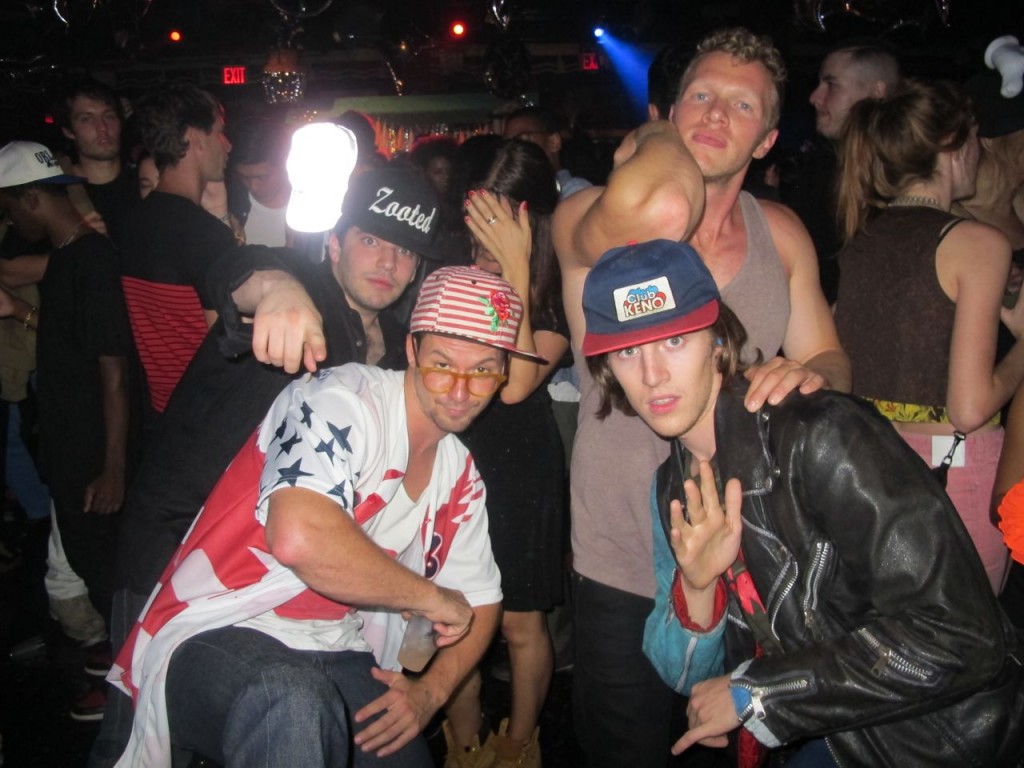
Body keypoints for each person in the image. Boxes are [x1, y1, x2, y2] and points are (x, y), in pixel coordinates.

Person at [580, 237, 1023, 767]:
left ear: (717, 341)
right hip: (818, 732)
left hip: (928, 739)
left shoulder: (820, 436)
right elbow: (687, 678)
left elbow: (963, 637)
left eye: (674, 340)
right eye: (628, 352)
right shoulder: (673, 488)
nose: (652, 376)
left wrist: (759, 694)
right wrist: (698, 587)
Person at [552, 27, 850, 766]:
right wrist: (656, 140)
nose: (716, 115)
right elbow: (657, 211)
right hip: (621, 555)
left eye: (742, 106)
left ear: (768, 140)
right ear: (666, 111)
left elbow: (832, 358)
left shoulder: (780, 234)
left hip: (747, 559)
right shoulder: (590, 218)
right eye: (701, 97)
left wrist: (807, 377)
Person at [109, 265, 539, 766]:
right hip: (221, 628)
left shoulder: (459, 473)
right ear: (411, 350)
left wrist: (430, 693)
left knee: (404, 756)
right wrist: (430, 596)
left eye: (483, 370)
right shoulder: (342, 399)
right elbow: (298, 537)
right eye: (442, 363)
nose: (461, 391)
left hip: (337, 646)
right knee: (292, 703)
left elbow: (481, 601)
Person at [90, 165, 442, 767]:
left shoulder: (395, 348)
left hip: (281, 585)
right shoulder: (300, 291)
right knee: (136, 739)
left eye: (405, 250)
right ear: (335, 243)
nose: (387, 261)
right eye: (370, 239)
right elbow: (239, 270)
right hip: (177, 552)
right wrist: (276, 291)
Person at [833, 79, 1024, 592]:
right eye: (976, 137)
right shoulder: (977, 241)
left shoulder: (862, 239)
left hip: (869, 470)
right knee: (967, 632)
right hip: (953, 474)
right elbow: (969, 406)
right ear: (950, 146)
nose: (982, 151)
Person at [444, 139, 569, 767]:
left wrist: (515, 270)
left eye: (497, 222)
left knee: (520, 621)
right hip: (454, 453)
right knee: (452, 615)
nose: (482, 240)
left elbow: (516, 384)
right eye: (476, 220)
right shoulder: (456, 263)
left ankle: (519, 748)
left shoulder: (556, 283)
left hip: (519, 464)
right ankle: (464, 744)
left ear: (529, 220)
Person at [0, 140, 134, 713]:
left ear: (32, 198)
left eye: (10, 207)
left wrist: (113, 466)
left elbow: (115, 370)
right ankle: (121, 658)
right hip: (70, 442)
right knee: (87, 561)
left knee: (105, 569)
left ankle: (132, 688)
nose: (11, 220)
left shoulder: (91, 260)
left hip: (90, 450)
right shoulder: (66, 259)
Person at [116, 82, 235, 417]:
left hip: (161, 407)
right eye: (220, 132)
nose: (227, 144)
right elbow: (225, 346)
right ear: (196, 138)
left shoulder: (129, 222)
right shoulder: (204, 234)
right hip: (205, 411)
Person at [782, 40, 901, 302]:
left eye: (831, 85)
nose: (815, 97)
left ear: (877, 92)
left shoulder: (910, 173)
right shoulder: (817, 172)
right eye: (819, 84)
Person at [502, 106, 592, 199]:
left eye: (521, 140)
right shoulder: (514, 193)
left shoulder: (577, 192)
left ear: (554, 142)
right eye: (506, 144)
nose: (511, 150)